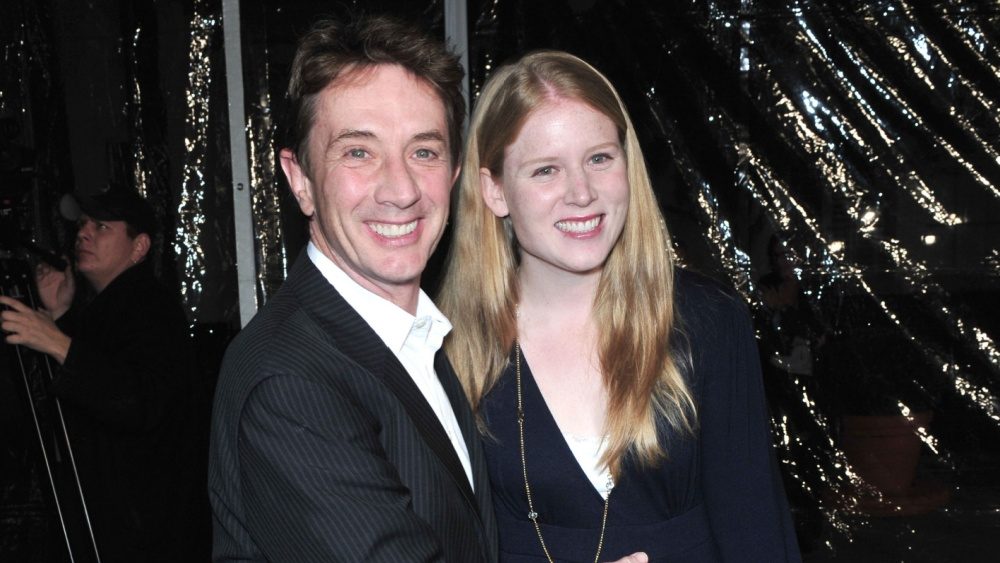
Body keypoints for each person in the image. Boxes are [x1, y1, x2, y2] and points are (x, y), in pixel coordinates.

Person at [438, 51, 801, 562]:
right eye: (546, 170)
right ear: (494, 190)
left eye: (599, 159)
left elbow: (757, 532)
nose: (581, 193)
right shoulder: (447, 349)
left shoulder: (707, 322)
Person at [207, 16, 498, 562]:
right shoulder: (290, 381)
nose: (401, 190)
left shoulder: (415, 337)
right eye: (359, 152)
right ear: (300, 180)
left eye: (424, 151)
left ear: (454, 173)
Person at [0, 187, 205, 562]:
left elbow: (140, 401)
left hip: (142, 536)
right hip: (113, 530)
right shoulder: (110, 308)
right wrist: (60, 317)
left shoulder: (151, 308)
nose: (83, 233)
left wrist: (57, 341)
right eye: (82, 224)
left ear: (139, 247)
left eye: (102, 226)